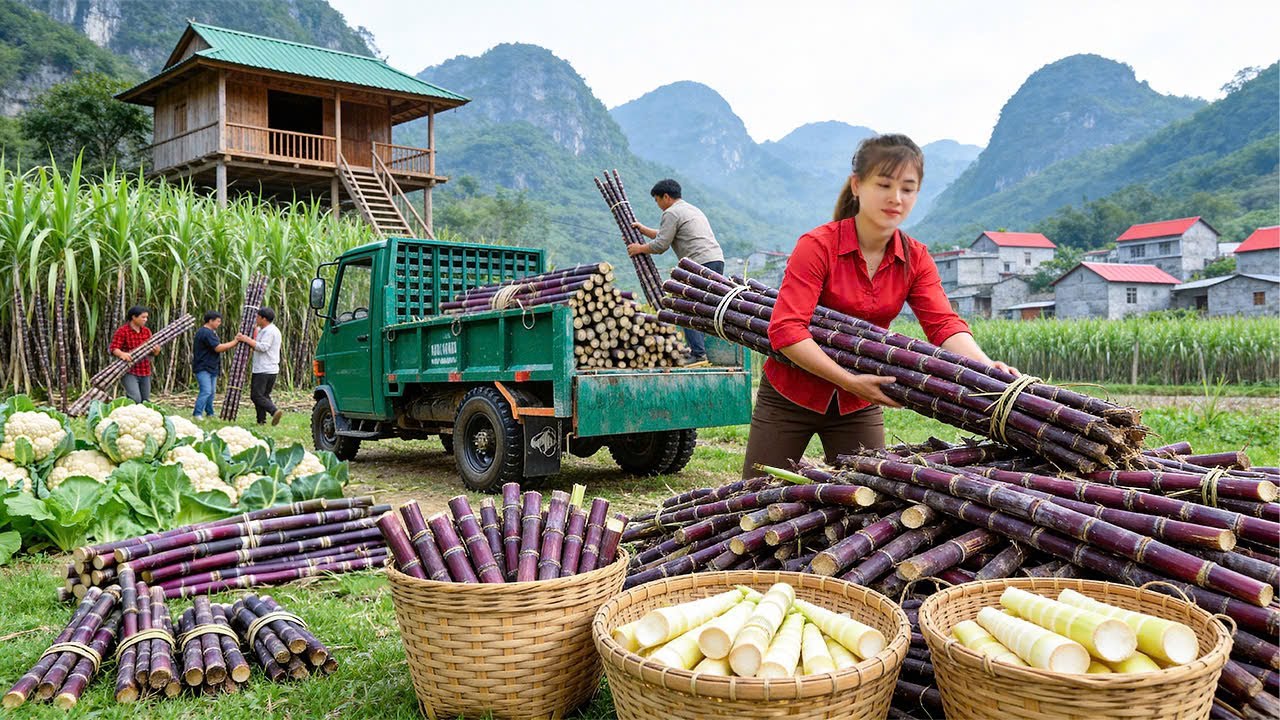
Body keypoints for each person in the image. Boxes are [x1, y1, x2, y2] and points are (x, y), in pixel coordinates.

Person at [741, 134, 1018, 478]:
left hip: (858, 403)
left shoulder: (915, 257)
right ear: (856, 185)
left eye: (908, 188)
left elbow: (943, 324)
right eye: (884, 184)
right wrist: (848, 380)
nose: (896, 198)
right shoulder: (817, 246)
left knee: (866, 503)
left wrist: (986, 366)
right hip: (790, 395)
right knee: (755, 497)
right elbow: (786, 329)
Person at [629, 178, 725, 363]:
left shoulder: (671, 213)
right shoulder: (690, 209)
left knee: (684, 306)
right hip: (715, 260)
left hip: (699, 263)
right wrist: (643, 229)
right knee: (704, 307)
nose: (658, 205)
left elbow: (660, 245)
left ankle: (698, 353)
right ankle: (702, 351)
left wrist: (639, 249)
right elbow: (665, 234)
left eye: (657, 200)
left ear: (666, 197)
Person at [236, 307, 283, 426]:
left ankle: (274, 411)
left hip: (264, 369)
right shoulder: (266, 329)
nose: (256, 319)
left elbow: (263, 347)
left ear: (264, 318)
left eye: (258, 317)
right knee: (264, 395)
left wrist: (246, 339)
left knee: (256, 396)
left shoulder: (270, 331)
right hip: (269, 368)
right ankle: (261, 421)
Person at [192, 311, 239, 419]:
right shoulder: (206, 333)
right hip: (203, 367)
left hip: (211, 367)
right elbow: (218, 348)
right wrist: (235, 342)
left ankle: (210, 412)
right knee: (206, 391)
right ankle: (197, 413)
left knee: (211, 392)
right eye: (218, 321)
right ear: (210, 321)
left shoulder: (210, 332)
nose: (219, 323)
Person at [109, 306, 161, 403]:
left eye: (146, 317)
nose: (145, 320)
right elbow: (114, 348)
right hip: (128, 370)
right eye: (143, 317)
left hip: (145, 370)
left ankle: (140, 417)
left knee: (145, 400)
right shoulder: (123, 331)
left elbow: (153, 353)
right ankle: (127, 414)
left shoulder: (146, 331)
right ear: (134, 317)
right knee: (135, 398)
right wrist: (122, 354)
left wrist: (156, 350)